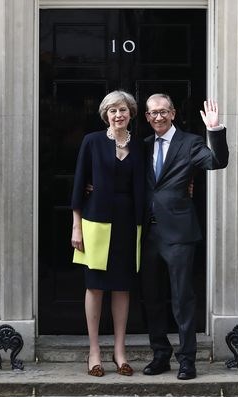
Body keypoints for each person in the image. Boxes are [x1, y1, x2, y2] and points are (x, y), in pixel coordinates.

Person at [141, 94, 229, 380]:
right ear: (146, 116)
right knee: (152, 298)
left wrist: (214, 130)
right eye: (153, 112)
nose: (158, 117)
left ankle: (187, 359)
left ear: (173, 113)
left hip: (178, 234)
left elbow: (217, 161)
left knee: (182, 299)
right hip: (148, 233)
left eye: (163, 111)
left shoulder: (189, 143)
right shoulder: (142, 146)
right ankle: (160, 355)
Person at [71, 90, 144, 377]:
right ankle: (94, 352)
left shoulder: (141, 146)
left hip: (129, 223)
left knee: (122, 286)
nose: (118, 115)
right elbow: (79, 185)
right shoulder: (92, 142)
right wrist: (76, 226)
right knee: (95, 285)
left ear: (131, 114)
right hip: (95, 222)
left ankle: (120, 351)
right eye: (112, 110)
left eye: (123, 110)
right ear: (105, 114)